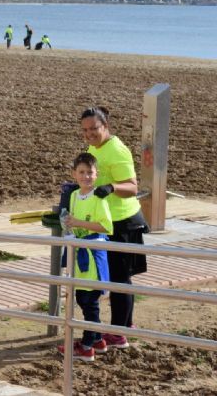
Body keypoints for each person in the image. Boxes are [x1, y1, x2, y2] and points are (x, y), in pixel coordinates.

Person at [80, 106, 149, 349]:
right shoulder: (94, 148)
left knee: (120, 279)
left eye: (94, 129)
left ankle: (119, 333)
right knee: (115, 278)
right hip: (108, 221)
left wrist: (110, 187)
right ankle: (125, 324)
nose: (89, 134)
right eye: (85, 130)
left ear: (106, 125)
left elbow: (131, 186)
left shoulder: (117, 149)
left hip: (124, 222)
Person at [57, 153, 112, 361]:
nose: (86, 176)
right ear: (74, 174)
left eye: (90, 172)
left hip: (92, 252)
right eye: (82, 172)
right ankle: (97, 339)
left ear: (96, 175)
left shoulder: (99, 198)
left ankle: (87, 345)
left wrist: (79, 223)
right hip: (78, 251)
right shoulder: (73, 196)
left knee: (89, 300)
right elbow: (70, 219)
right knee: (81, 296)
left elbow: (106, 226)